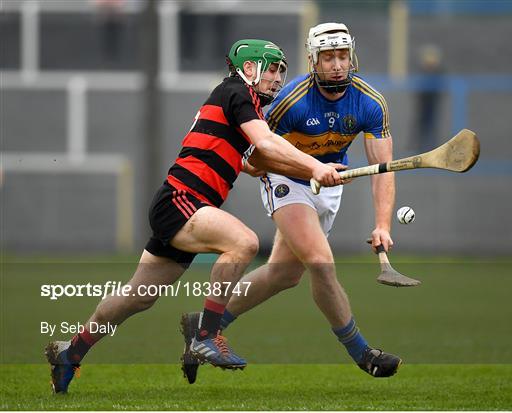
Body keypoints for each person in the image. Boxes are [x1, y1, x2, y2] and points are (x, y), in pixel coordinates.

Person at [45, 38, 344, 394]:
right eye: (272, 69)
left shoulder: (243, 106)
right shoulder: (237, 92)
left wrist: (313, 170)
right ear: (249, 69)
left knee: (138, 296)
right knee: (243, 242)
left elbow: (254, 163)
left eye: (282, 70)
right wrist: (314, 165)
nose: (279, 78)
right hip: (182, 199)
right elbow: (265, 144)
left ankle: (71, 351)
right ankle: (206, 335)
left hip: (182, 205)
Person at [181, 23, 402, 384]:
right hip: (286, 181)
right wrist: (310, 166)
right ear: (314, 60)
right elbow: (253, 161)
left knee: (284, 274)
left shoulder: (370, 102)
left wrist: (382, 224)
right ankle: (362, 353)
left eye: (342, 56)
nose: (336, 64)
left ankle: (205, 324)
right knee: (320, 262)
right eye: (328, 57)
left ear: (352, 57)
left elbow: (383, 169)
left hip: (329, 186)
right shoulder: (290, 101)